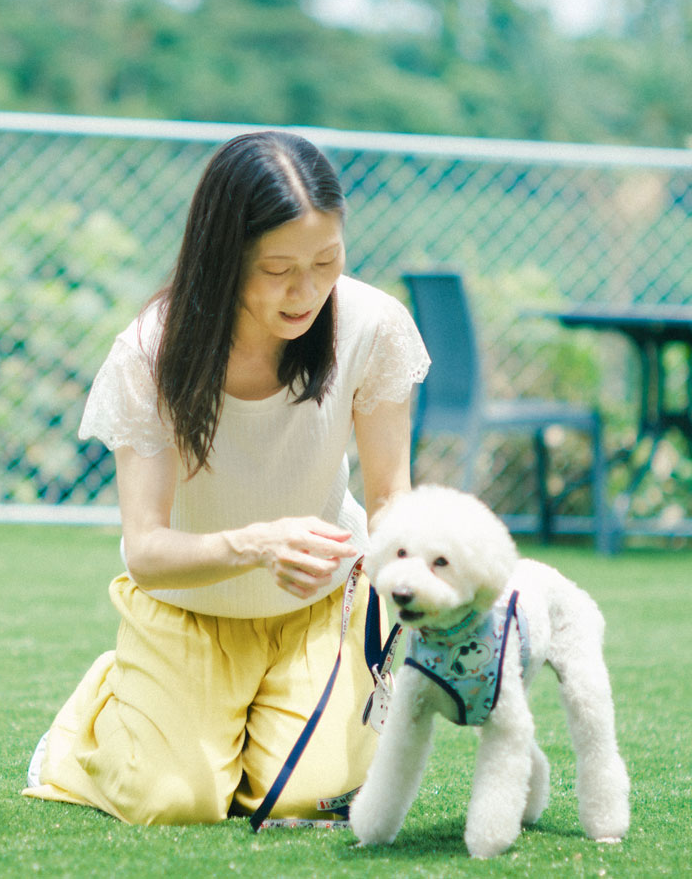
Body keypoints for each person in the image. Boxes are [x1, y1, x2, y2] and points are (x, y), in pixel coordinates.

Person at [23, 130, 429, 825]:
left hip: (319, 610)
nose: (308, 290)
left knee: (304, 797)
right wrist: (257, 543)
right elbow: (146, 551)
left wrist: (422, 569)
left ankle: (232, 725)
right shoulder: (151, 352)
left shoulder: (373, 326)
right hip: (186, 609)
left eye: (327, 260)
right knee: (174, 801)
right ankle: (100, 711)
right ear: (224, 258)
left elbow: (392, 497)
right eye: (278, 268)